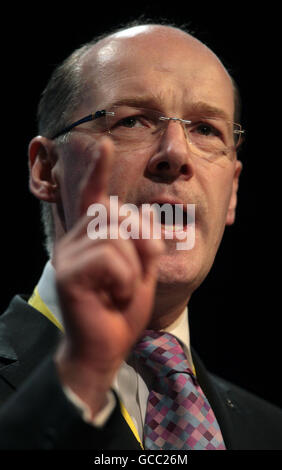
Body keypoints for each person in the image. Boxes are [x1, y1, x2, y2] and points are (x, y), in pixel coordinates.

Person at [0, 19, 281, 451]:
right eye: (132, 121)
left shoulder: (271, 430)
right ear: (45, 170)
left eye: (206, 129)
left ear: (233, 193)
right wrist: (79, 376)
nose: (175, 153)